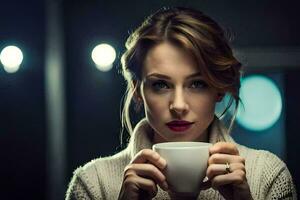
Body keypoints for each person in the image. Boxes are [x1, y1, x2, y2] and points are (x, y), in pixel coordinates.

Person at [66, 7, 297, 200]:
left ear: (218, 89)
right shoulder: (93, 183)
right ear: (138, 91)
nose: (178, 105)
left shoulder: (268, 175)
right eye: (161, 85)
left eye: (197, 84)